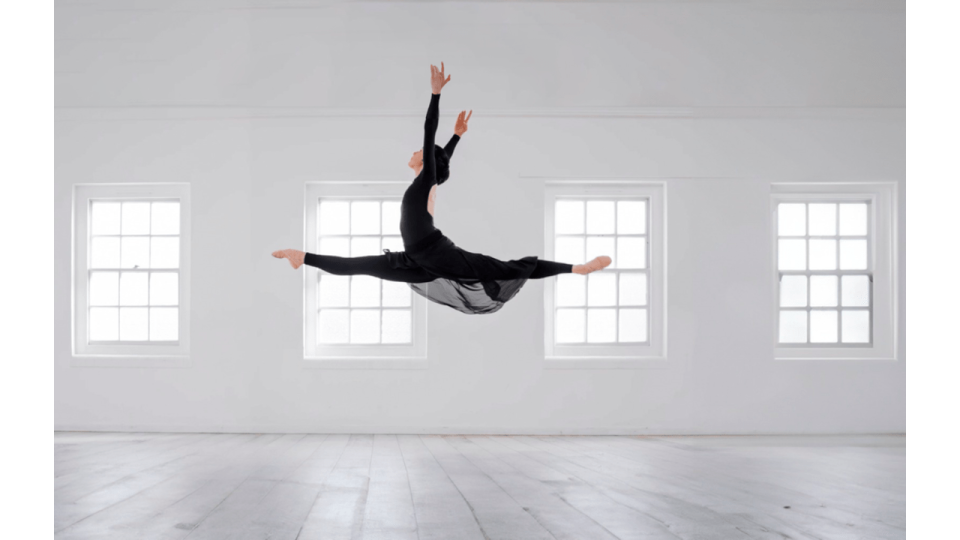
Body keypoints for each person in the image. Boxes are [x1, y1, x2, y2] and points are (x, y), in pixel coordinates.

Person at [274, 63, 612, 314]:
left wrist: (436, 94)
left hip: (437, 253)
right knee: (355, 266)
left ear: (425, 160)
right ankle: (299, 257)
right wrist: (458, 136)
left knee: (505, 267)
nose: (413, 151)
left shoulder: (424, 180)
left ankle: (576, 268)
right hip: (415, 259)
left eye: (418, 151)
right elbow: (441, 156)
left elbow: (428, 134)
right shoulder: (426, 180)